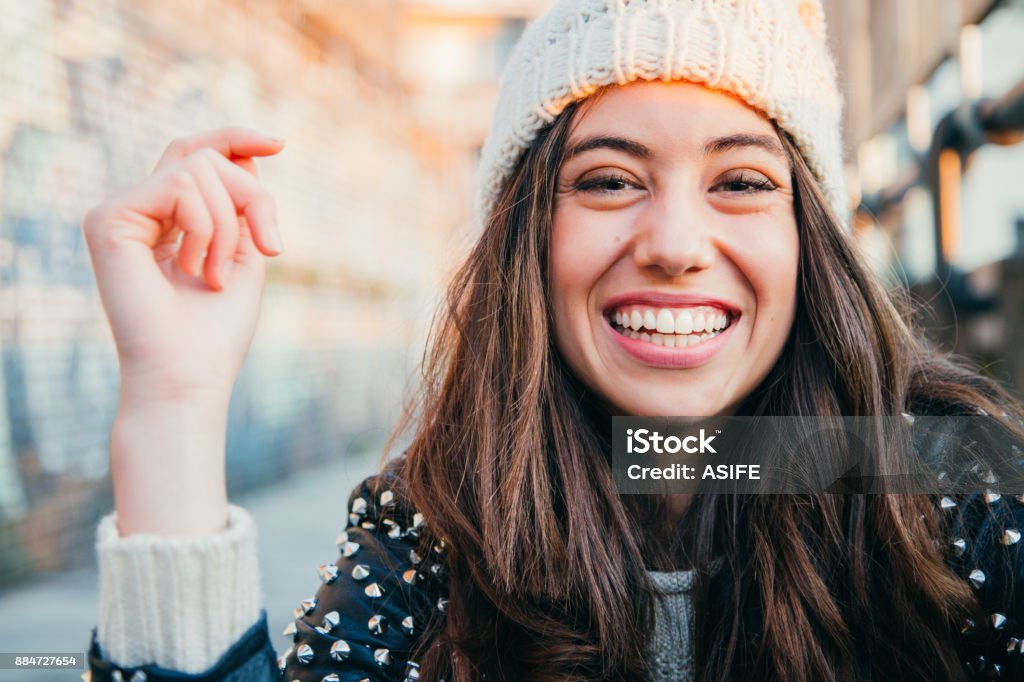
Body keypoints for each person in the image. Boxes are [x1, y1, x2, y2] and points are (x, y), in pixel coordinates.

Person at [80, 0, 1024, 680]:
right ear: (527, 238)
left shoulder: (949, 488)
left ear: (809, 239)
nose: (675, 247)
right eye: (610, 180)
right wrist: (173, 405)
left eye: (740, 181)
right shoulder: (434, 530)